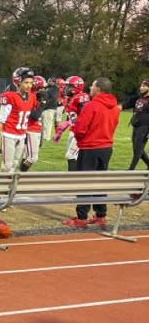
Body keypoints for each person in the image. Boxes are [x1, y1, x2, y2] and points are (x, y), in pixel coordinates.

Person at [63, 77, 120, 229]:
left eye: (93, 86)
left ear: (99, 89)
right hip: (106, 147)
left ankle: (82, 217)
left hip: (89, 148)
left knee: (84, 182)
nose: (90, 89)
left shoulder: (92, 105)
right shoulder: (114, 107)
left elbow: (81, 128)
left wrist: (78, 137)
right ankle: (101, 215)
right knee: (100, 181)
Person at [0, 67, 36, 172]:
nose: (29, 85)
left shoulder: (32, 97)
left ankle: (8, 187)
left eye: (31, 83)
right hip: (9, 135)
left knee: (14, 165)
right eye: (26, 82)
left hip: (22, 135)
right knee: (6, 166)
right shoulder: (10, 97)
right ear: (18, 82)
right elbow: (1, 121)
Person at [123, 79, 149, 170]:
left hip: (145, 127)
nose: (141, 88)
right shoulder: (139, 97)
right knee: (137, 149)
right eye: (141, 86)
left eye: (144, 86)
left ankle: (131, 170)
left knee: (138, 149)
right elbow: (128, 104)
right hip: (136, 126)